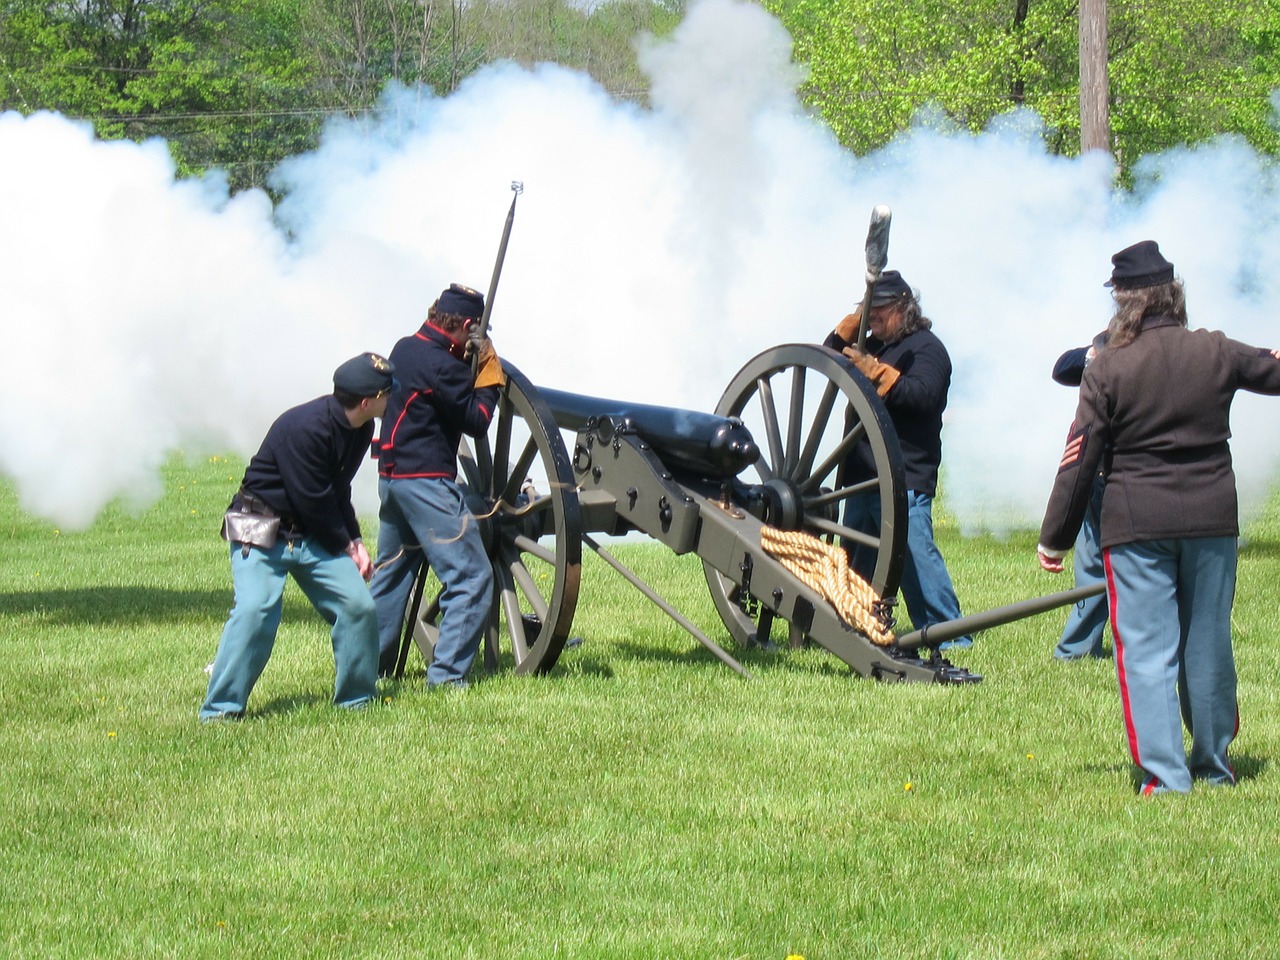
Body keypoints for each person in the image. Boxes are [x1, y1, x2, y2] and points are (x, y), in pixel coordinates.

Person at [1038, 240, 1280, 795]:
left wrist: (1055, 539)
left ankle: (1167, 777)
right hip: (1212, 519)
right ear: (1173, 296)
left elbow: (1080, 457)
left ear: (1124, 302)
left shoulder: (1108, 367)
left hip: (1136, 523)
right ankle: (1215, 766)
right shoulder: (1216, 350)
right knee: (1208, 642)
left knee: (1146, 649)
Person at [201, 352, 395, 720]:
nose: (393, 398)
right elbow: (313, 500)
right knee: (255, 609)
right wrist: (346, 544)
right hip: (261, 529)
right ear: (368, 402)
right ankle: (220, 710)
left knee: (358, 607)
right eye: (388, 393)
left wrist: (354, 540)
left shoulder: (361, 428)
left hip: (310, 533)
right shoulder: (306, 427)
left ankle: (356, 701)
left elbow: (337, 490)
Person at [824, 269, 972, 650]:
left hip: (904, 475)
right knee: (854, 564)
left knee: (915, 558)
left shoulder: (928, 349)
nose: (873, 318)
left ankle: (948, 634)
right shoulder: (870, 343)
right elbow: (825, 357)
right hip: (861, 475)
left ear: (904, 308)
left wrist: (877, 375)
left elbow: (923, 396)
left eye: (880, 310)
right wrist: (855, 322)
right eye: (869, 311)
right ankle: (849, 625)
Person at [369, 283, 505, 689]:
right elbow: (477, 420)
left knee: (391, 577)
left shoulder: (404, 347)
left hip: (392, 481)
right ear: (466, 324)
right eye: (476, 330)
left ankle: (367, 668)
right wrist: (488, 375)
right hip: (425, 484)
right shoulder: (443, 366)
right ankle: (446, 678)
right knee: (471, 577)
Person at [1050, 335, 1110, 661]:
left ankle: (1078, 648)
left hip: (1118, 474)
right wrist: (1094, 353)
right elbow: (1062, 368)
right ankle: (1078, 649)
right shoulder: (1105, 350)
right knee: (1093, 568)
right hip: (1095, 473)